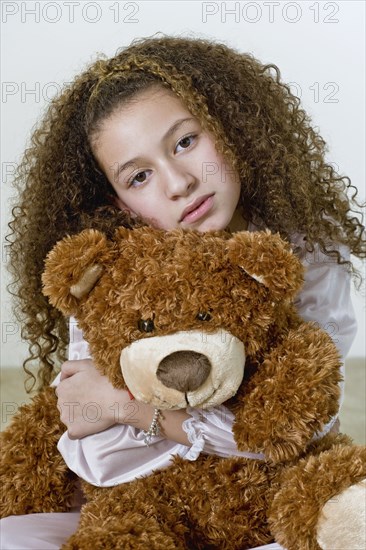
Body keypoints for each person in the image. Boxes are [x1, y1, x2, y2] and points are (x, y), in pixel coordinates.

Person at [1, 34, 364, 549]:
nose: (178, 183)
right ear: (120, 202)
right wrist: (139, 417)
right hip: (145, 491)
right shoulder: (113, 269)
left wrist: (135, 410)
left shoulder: (308, 247)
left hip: (265, 489)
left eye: (186, 142)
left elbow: (300, 421)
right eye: (140, 176)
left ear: (228, 126)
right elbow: (85, 411)